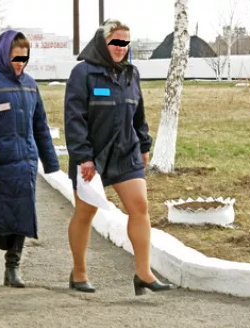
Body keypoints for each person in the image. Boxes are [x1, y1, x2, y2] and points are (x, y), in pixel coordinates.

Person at [64, 19, 174, 295]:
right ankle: (78, 272)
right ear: (103, 42)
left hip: (126, 152)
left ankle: (143, 273)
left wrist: (144, 144)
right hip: (93, 156)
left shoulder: (130, 74)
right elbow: (74, 118)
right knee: (85, 213)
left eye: (125, 42)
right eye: (116, 42)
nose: (121, 47)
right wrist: (83, 156)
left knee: (140, 207)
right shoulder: (83, 73)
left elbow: (138, 113)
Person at [0, 30, 59, 288]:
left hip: (25, 164)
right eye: (16, 58)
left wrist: (50, 162)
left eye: (24, 58)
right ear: (3, 55)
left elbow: (40, 125)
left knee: (22, 216)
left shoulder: (31, 85)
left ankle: (13, 268)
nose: (20, 62)